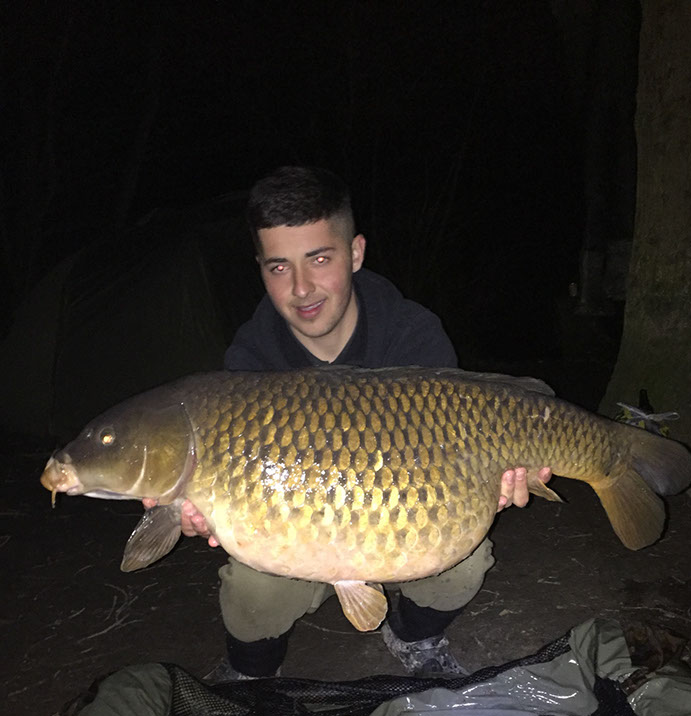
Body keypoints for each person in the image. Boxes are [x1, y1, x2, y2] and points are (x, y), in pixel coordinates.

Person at [146, 166, 551, 679]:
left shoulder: (413, 335)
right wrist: (202, 509)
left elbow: (461, 448)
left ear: (355, 253)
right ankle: (250, 673)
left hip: (402, 523)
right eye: (279, 267)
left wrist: (494, 481)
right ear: (261, 269)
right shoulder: (250, 362)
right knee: (251, 592)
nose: (301, 288)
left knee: (466, 561)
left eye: (320, 259)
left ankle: (414, 636)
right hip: (298, 534)